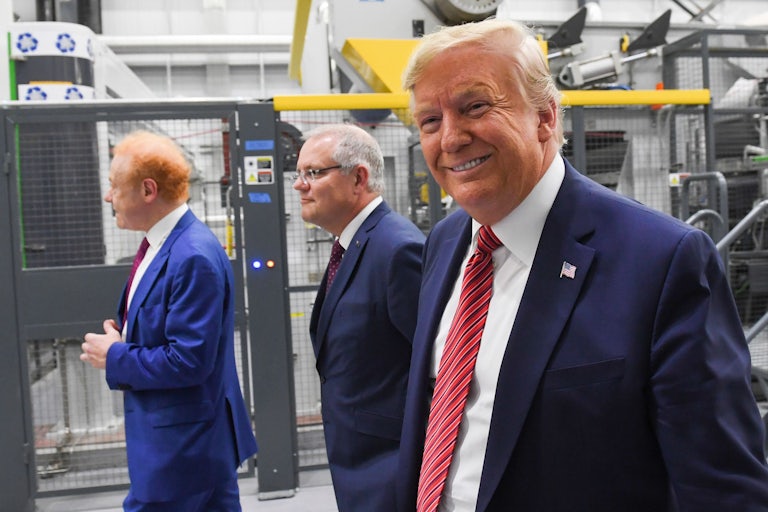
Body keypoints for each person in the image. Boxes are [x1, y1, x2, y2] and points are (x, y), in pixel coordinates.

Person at [397, 18, 768, 512]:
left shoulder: (662, 262)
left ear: (545, 117)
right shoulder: (444, 245)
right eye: (430, 121)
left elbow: (724, 489)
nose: (450, 139)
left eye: (476, 107)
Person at [81, 130, 257, 511]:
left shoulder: (191, 255)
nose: (108, 196)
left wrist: (115, 356)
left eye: (115, 186)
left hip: (184, 450)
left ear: (148, 190)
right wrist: (127, 334)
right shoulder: (162, 245)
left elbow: (189, 361)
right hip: (184, 442)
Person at [292, 124, 425, 511]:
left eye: (313, 172)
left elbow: (436, 370)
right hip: (360, 460)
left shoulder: (397, 250)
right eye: (299, 174)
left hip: (392, 469)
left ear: (358, 178)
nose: (299, 185)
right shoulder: (352, 245)